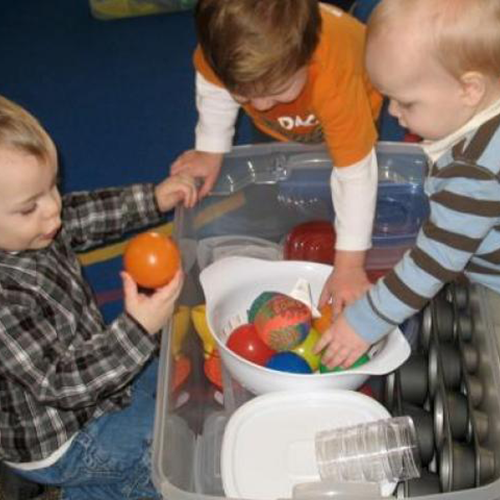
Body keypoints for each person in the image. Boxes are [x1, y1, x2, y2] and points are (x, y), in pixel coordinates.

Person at [0, 95, 197, 499]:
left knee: (160, 367)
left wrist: (153, 199)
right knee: (159, 446)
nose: (53, 210)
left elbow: (86, 212)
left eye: (52, 187)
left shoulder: (37, 226)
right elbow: (60, 383)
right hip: (61, 440)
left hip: (89, 379)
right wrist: (138, 328)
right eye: (29, 207)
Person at [316, 0, 500, 369]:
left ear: (470, 90)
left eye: (406, 102)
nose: (394, 114)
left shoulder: (471, 171)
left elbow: (434, 261)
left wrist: (364, 322)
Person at [171, 0, 384, 314]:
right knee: (279, 177)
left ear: (307, 59)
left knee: (346, 181)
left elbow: (355, 174)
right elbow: (213, 88)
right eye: (243, 95)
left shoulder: (332, 76)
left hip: (353, 102)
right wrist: (211, 147)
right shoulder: (222, 55)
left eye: (279, 90)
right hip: (285, 129)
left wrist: (349, 265)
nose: (261, 105)